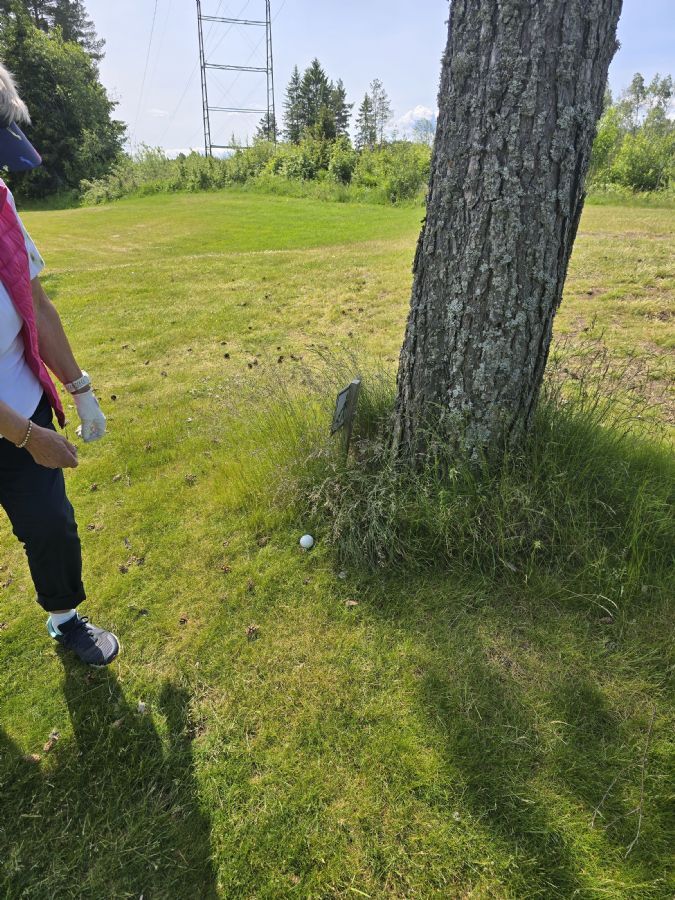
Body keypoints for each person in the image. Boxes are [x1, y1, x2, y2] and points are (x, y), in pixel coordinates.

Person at [0, 63, 119, 666]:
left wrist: (80, 389)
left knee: (50, 523)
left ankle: (65, 619)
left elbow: (36, 302)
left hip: (23, 401)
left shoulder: (1, 203)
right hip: (17, 424)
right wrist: (25, 436)